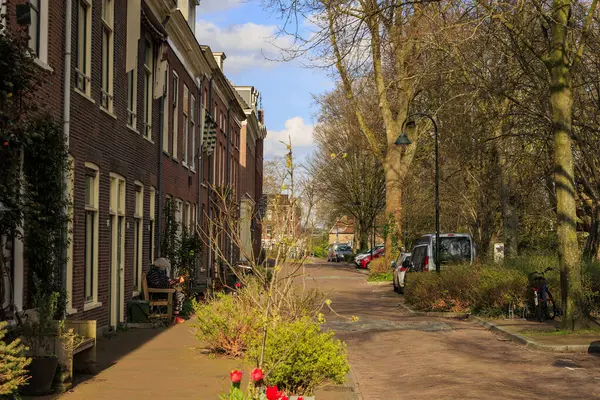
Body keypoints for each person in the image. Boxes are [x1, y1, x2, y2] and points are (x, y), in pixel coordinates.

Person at [147, 258, 185, 324]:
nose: (164, 268)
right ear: (161, 265)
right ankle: (174, 316)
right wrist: (171, 283)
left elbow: (165, 279)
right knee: (179, 295)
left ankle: (175, 315)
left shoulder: (158, 271)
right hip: (157, 293)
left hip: (161, 291)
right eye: (164, 266)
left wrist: (174, 280)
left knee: (179, 294)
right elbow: (158, 285)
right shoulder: (153, 273)